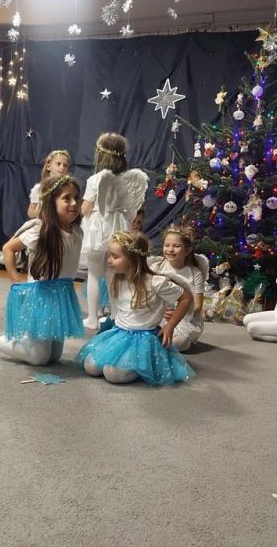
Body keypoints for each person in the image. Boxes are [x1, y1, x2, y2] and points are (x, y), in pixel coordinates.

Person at [0, 175, 84, 366]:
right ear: (51, 202)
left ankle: (28, 340)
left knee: (54, 357)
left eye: (76, 197)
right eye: (66, 198)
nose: (74, 203)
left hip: (61, 293)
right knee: (39, 358)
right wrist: (15, 278)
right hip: (42, 295)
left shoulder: (77, 231)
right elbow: (8, 248)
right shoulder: (41, 230)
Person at [75, 231, 195, 385]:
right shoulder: (119, 278)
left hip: (143, 339)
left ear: (132, 258)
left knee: (113, 374)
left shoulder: (155, 282)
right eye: (110, 255)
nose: (109, 260)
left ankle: (144, 366)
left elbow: (186, 298)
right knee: (90, 366)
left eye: (115, 257)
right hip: (119, 333)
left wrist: (170, 326)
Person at [80, 132, 149, 329]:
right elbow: (131, 208)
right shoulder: (128, 179)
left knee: (94, 274)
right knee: (115, 273)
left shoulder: (96, 179)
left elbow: (85, 209)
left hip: (98, 227)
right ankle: (117, 315)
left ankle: (93, 318)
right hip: (118, 225)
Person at [148, 228, 208, 352]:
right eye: (167, 245)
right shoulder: (156, 267)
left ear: (187, 250)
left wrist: (177, 313)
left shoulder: (195, 273)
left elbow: (197, 306)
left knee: (180, 343)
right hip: (158, 314)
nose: (170, 249)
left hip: (184, 318)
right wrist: (161, 312)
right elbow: (148, 296)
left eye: (176, 246)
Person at [27, 149, 71, 219]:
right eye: (58, 164)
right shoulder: (39, 188)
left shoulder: (69, 188)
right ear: (48, 167)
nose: (62, 167)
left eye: (65, 165)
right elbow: (30, 212)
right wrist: (45, 212)